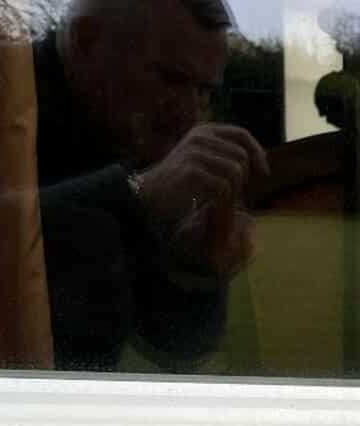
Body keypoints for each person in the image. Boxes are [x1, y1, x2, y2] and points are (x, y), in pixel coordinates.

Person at [34, 0, 268, 370]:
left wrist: (192, 270)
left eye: (205, 92)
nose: (191, 115)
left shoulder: (136, 134)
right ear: (85, 40)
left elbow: (174, 347)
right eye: (171, 78)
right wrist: (135, 198)